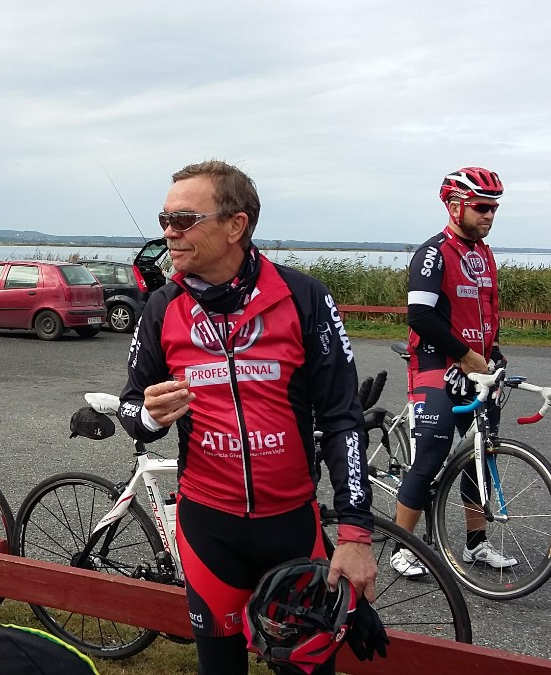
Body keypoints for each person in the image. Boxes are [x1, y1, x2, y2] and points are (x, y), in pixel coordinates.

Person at [118, 159, 377, 675]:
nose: (168, 232)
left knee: (308, 671)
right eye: (164, 219)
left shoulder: (304, 297)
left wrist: (355, 534)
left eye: (183, 220)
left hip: (290, 526)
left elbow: (343, 419)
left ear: (236, 225)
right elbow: (130, 407)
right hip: (208, 529)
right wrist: (149, 417)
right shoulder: (162, 307)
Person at [392, 167, 515, 577]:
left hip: (478, 369)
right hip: (436, 366)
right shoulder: (433, 253)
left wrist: (493, 353)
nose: (489, 215)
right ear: (456, 205)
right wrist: (465, 354)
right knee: (430, 457)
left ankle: (476, 543)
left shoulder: (484, 255)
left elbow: (485, 314)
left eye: (494, 208)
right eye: (481, 207)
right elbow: (420, 316)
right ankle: (403, 547)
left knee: (481, 454)